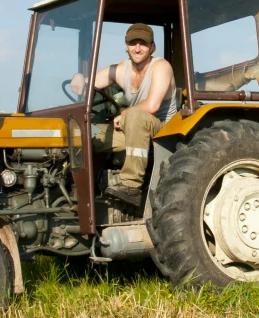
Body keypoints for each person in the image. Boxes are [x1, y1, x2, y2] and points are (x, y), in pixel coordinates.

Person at [70, 23, 178, 208]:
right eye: (133, 43)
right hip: (133, 130)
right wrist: (80, 79)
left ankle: (131, 186)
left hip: (162, 132)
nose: (137, 48)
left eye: (143, 44)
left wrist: (126, 113)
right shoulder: (121, 69)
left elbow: (152, 105)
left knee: (135, 115)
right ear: (126, 46)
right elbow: (88, 84)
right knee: (83, 131)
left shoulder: (161, 66)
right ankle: (80, 190)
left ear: (152, 47)